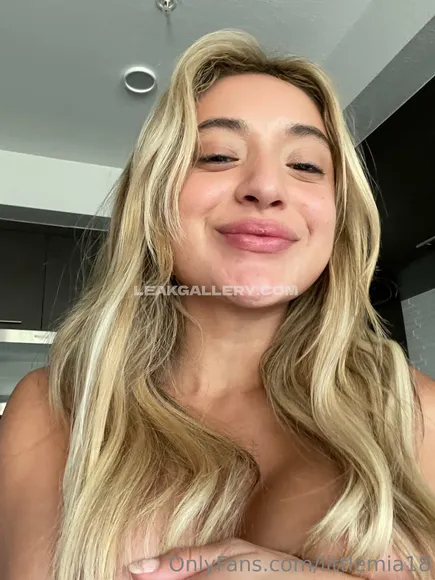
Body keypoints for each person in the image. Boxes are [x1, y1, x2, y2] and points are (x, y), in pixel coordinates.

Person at [0, 29, 434, 580]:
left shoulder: (413, 409)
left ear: (337, 215)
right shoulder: (55, 407)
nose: (266, 187)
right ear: (154, 199)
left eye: (305, 165)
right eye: (218, 155)